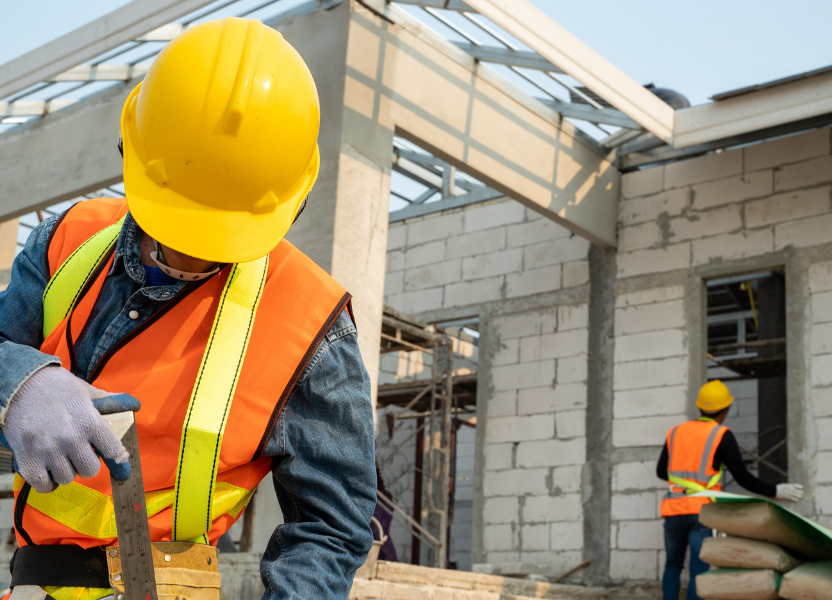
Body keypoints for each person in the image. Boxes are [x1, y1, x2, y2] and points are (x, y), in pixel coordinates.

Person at [0, 17, 375, 600]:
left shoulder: (313, 328)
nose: (190, 252)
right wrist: (18, 380)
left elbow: (331, 526)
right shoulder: (67, 239)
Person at [657, 380, 803, 600]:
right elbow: (742, 478)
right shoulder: (721, 434)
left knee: (672, 565)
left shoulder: (675, 432)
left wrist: (686, 479)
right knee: (699, 570)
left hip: (673, 511)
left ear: (700, 407)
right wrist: (776, 491)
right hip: (701, 513)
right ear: (725, 411)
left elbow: (661, 472)